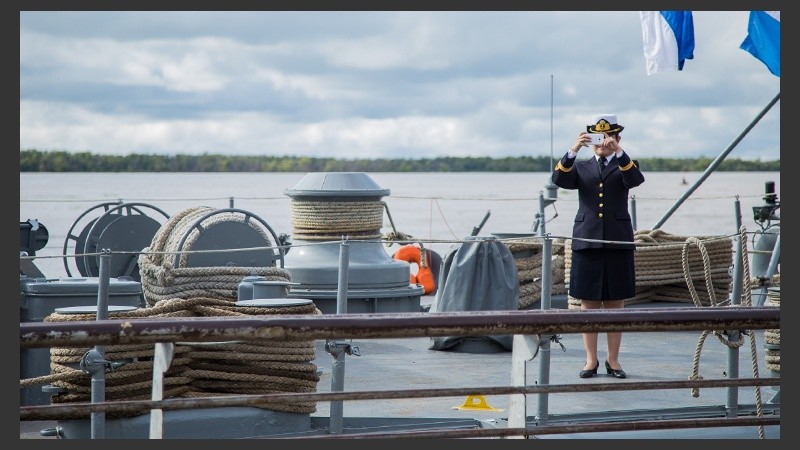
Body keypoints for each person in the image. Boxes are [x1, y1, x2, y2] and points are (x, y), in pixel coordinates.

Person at [551, 114, 645, 379]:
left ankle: (613, 360)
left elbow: (635, 180)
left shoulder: (627, 163)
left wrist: (619, 152)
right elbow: (559, 179)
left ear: (617, 138)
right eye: (598, 138)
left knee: (616, 303)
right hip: (587, 240)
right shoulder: (580, 167)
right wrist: (573, 149)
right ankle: (590, 360)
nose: (602, 143)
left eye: (608, 138)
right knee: (588, 304)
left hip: (617, 240)